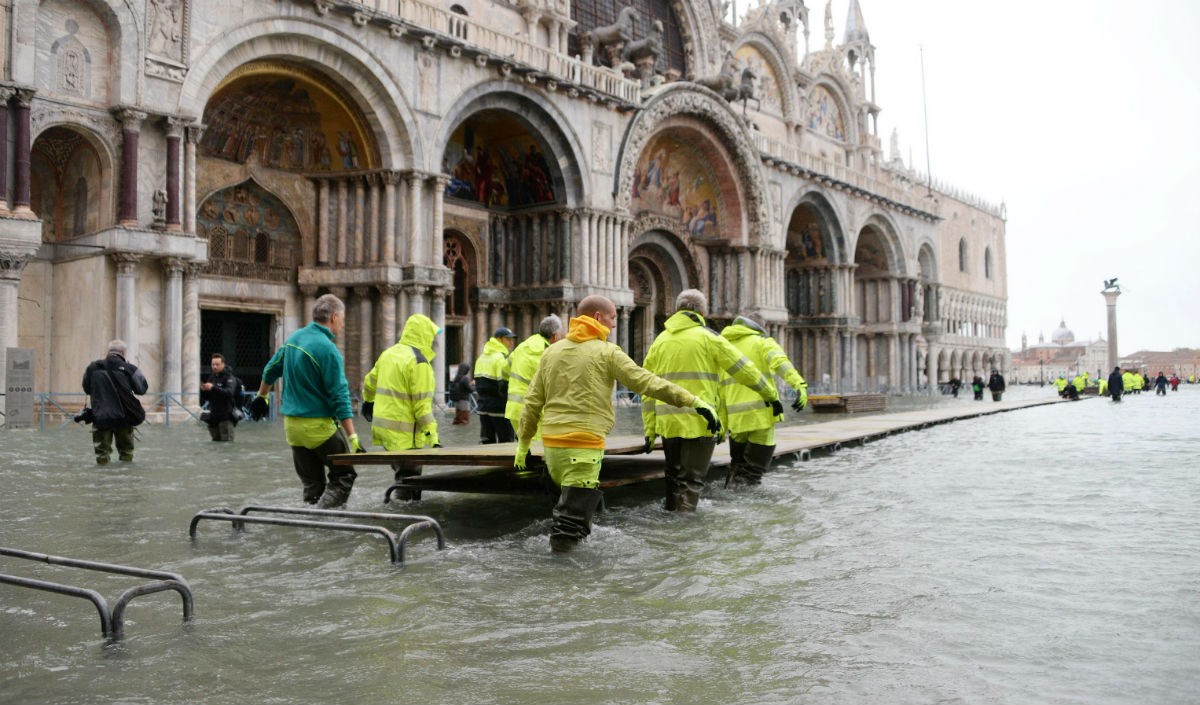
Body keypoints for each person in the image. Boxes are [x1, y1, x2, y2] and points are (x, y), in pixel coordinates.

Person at [514, 295, 716, 553]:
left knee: (566, 511)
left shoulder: (552, 352)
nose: (614, 324)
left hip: (552, 451)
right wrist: (694, 401)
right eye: (612, 317)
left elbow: (532, 402)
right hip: (584, 448)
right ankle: (562, 583)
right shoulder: (608, 352)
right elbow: (648, 383)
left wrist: (523, 444)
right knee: (568, 531)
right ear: (597, 317)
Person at [642, 289, 779, 512]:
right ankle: (684, 533)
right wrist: (771, 396)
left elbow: (646, 388)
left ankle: (669, 522)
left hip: (668, 422)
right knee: (691, 481)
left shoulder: (660, 341)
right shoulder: (709, 338)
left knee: (673, 478)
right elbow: (747, 371)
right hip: (700, 421)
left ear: (678, 309)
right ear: (701, 311)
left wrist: (649, 428)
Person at [251, 293, 363, 509]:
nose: (343, 323)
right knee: (343, 476)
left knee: (313, 485)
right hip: (318, 427)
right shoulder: (329, 349)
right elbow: (340, 395)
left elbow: (270, 370)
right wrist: (353, 435)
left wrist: (261, 397)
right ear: (333, 317)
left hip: (292, 428)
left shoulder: (294, 339)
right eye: (342, 318)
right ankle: (321, 516)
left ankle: (311, 520)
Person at [718, 315, 808, 486]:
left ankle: (730, 500)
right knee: (753, 473)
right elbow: (781, 363)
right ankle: (746, 508)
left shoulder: (724, 348)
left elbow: (719, 391)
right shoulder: (762, 342)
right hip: (760, 416)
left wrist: (722, 426)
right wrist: (799, 385)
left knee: (736, 468)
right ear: (760, 327)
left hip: (736, 421)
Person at [362, 313, 442, 501]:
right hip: (405, 434)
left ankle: (399, 508)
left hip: (384, 432)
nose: (432, 341)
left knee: (403, 474)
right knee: (410, 479)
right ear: (424, 335)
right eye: (431, 336)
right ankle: (401, 517)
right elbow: (422, 409)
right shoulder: (419, 362)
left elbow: (369, 382)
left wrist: (369, 401)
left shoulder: (388, 354)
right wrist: (434, 438)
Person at [81, 339, 148, 465]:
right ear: (123, 352)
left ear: (109, 351)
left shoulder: (92, 368)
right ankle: (123, 482)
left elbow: (86, 388)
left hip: (100, 418)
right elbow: (142, 389)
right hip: (123, 418)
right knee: (126, 453)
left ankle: (103, 482)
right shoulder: (129, 368)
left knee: (101, 455)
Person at [504, 315, 564, 440]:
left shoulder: (522, 346)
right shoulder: (549, 353)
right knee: (538, 452)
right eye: (560, 335)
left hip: (514, 410)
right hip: (533, 412)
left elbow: (504, 369)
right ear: (554, 336)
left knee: (524, 450)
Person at [474, 327, 517, 443]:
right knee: (506, 443)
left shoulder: (481, 358)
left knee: (487, 443)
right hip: (499, 408)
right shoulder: (500, 358)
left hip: (483, 408)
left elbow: (478, 384)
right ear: (499, 340)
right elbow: (504, 385)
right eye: (508, 339)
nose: (511, 342)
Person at [201, 352, 243, 441]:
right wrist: (204, 390)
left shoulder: (230, 378)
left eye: (217, 364)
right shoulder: (212, 377)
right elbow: (207, 398)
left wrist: (213, 387)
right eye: (213, 364)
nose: (215, 367)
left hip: (226, 417)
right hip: (213, 417)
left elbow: (229, 393)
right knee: (215, 444)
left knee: (227, 445)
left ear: (223, 364)